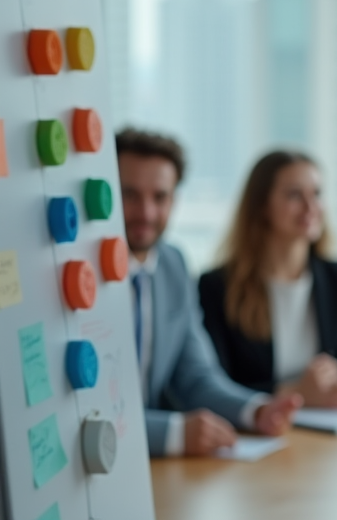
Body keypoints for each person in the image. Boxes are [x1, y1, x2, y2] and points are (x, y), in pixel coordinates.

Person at [116, 128, 300, 458]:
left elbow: (196, 377)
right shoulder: (77, 277)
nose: (146, 212)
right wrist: (171, 433)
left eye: (159, 197)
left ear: (174, 200)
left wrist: (256, 410)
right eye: (130, 195)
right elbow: (76, 412)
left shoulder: (173, 265)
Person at [199, 151, 337, 408]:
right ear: (262, 206)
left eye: (316, 194)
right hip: (251, 435)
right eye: (294, 195)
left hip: (321, 436)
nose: (310, 206)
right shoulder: (217, 287)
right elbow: (211, 385)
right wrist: (294, 392)